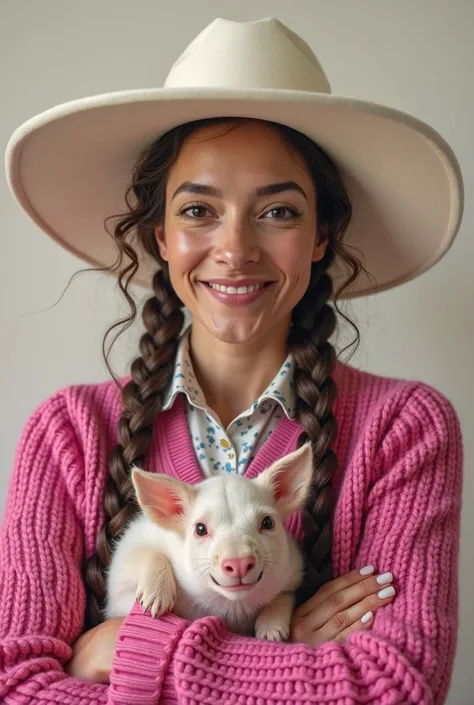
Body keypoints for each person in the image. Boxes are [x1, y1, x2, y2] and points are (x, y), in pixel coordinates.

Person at [1, 16, 464, 705]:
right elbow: (16, 683)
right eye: (198, 210)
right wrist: (286, 654)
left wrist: (123, 649)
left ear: (319, 237)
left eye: (278, 211)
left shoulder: (404, 430)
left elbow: (393, 687)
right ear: (161, 236)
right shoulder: (67, 434)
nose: (235, 246)